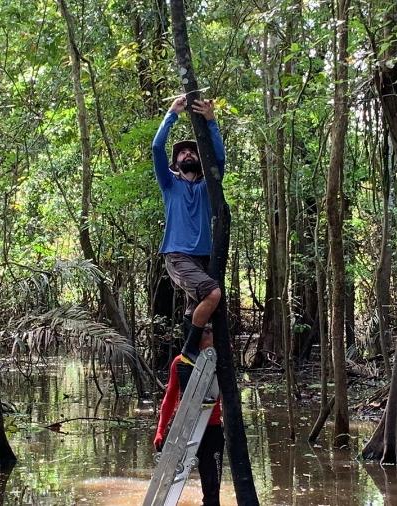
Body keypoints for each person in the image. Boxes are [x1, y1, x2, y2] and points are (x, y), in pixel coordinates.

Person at [152, 95, 226, 389]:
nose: (185, 156)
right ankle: (188, 349)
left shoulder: (209, 184)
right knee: (213, 294)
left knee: (197, 311)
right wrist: (171, 113)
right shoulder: (170, 184)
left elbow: (218, 160)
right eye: (181, 154)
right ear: (175, 162)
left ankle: (190, 368)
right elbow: (157, 147)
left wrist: (211, 121)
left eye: (190, 152)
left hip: (204, 258)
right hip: (178, 254)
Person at [154, 328, 224, 506]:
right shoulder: (180, 363)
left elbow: (230, 401)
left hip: (212, 430)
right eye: (207, 343)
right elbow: (169, 398)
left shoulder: (222, 363)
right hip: (184, 427)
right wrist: (160, 431)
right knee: (169, 483)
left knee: (212, 489)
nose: (210, 347)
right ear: (199, 341)